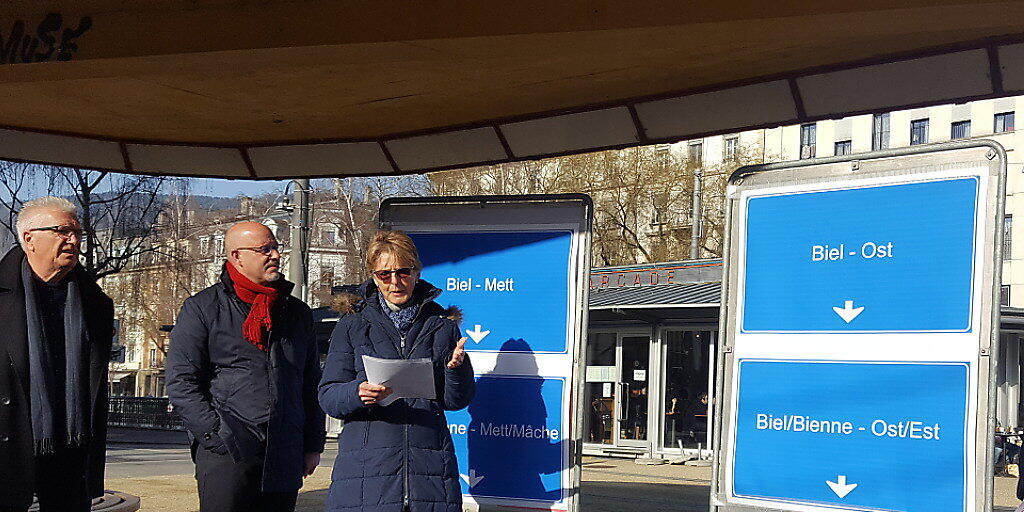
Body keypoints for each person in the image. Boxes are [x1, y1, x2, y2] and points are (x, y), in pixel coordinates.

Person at [166, 221, 326, 512]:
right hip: (228, 452)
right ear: (237, 256)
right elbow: (181, 381)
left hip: (285, 449)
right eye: (264, 249)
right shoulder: (202, 308)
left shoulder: (296, 312)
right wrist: (216, 435)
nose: (275, 255)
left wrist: (313, 443)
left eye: (276, 247)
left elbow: (310, 381)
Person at [319, 230, 475, 512]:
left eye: (403, 272)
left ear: (416, 271)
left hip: (429, 470)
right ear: (373, 276)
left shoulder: (442, 325)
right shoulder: (352, 324)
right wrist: (356, 392)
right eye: (384, 275)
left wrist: (456, 370)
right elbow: (329, 396)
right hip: (366, 472)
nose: (395, 282)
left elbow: (456, 401)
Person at [0, 197, 114, 512]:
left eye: (78, 233)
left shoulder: (96, 304)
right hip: (9, 451)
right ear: (28, 239)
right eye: (61, 231)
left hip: (70, 454)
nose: (74, 240)